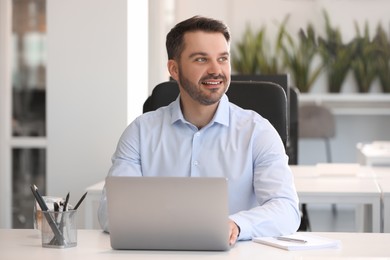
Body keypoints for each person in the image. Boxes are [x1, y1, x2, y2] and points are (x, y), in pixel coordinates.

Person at [98, 15, 300, 245]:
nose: (216, 70)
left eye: (223, 59)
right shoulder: (140, 132)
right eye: (201, 59)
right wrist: (172, 227)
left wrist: (236, 225)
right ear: (174, 69)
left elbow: (286, 209)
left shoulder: (258, 132)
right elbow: (110, 212)